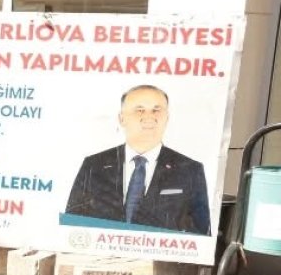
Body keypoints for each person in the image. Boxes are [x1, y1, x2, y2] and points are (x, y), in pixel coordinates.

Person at [64, 84, 210, 235]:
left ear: (167, 118)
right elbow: (72, 223)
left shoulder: (190, 169)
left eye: (156, 110)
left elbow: (201, 233)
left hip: (160, 258)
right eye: (139, 110)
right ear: (122, 119)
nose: (149, 117)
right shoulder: (94, 165)